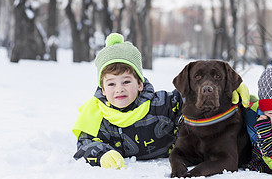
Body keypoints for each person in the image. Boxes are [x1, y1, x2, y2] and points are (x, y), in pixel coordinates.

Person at [72, 33, 250, 169]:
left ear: (140, 84)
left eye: (126, 81)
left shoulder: (161, 104)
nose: (119, 89)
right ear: (103, 89)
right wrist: (103, 154)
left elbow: (190, 95)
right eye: (111, 84)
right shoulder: (99, 117)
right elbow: (86, 142)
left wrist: (230, 89)